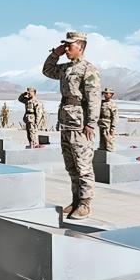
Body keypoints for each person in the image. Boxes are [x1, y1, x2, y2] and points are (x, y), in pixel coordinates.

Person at [43, 31, 101, 220]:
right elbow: (47, 70)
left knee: (83, 165)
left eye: (70, 45)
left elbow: (94, 98)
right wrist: (55, 54)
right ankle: (76, 200)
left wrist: (91, 123)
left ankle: (85, 203)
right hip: (66, 122)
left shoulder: (88, 69)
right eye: (65, 45)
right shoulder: (66, 68)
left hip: (80, 124)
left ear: (81, 47)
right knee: (71, 166)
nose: (66, 49)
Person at [98, 87, 118, 151]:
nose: (106, 95)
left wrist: (113, 127)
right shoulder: (101, 103)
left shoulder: (112, 104)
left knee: (108, 137)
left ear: (111, 95)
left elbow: (115, 116)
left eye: (107, 93)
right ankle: (102, 148)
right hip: (101, 122)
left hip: (108, 122)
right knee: (102, 137)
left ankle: (110, 149)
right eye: (105, 93)